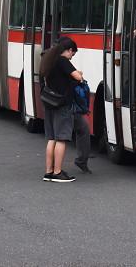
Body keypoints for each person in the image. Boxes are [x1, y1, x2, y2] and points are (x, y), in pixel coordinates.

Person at [39, 36, 83, 183]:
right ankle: (57, 172)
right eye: (73, 53)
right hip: (62, 104)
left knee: (51, 138)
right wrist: (80, 74)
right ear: (69, 50)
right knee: (61, 138)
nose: (72, 57)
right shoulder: (63, 61)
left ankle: (48, 171)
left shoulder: (48, 59)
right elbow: (77, 77)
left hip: (49, 102)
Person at [71, 79, 92, 174]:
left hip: (55, 103)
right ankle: (81, 160)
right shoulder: (63, 64)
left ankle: (52, 169)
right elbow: (78, 76)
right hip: (68, 107)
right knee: (83, 130)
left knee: (55, 137)